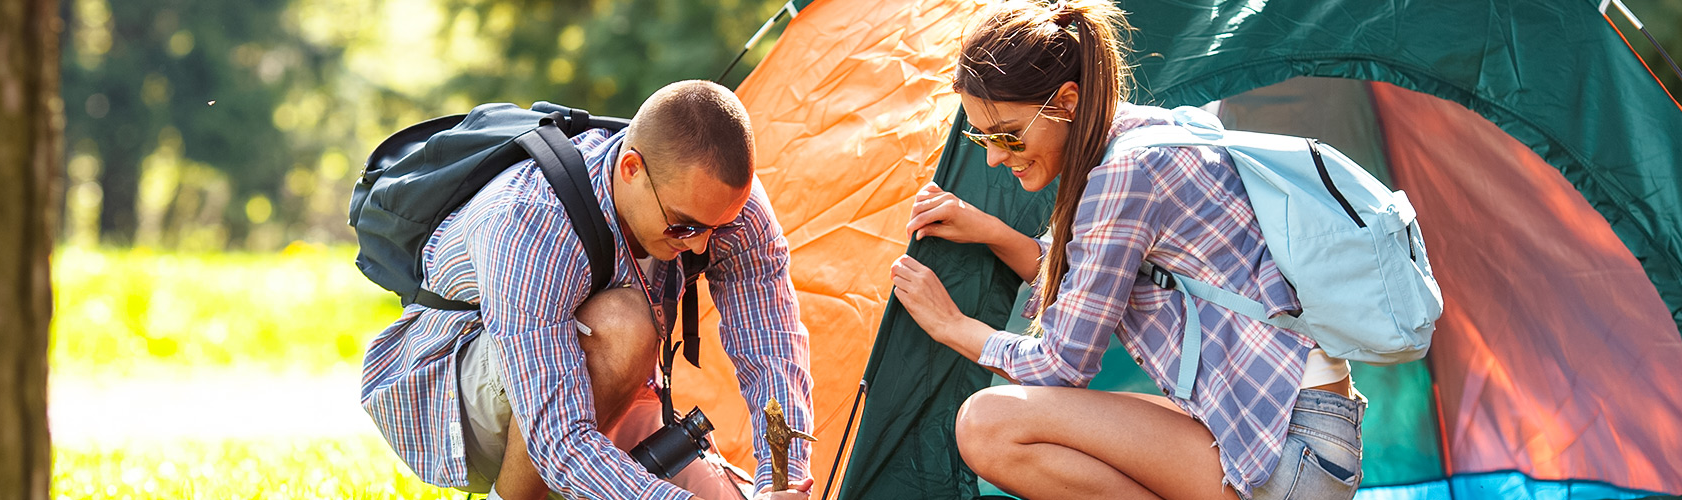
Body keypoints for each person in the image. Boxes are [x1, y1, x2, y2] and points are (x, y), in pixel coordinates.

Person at [887, 1, 1367, 499]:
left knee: (988, 425)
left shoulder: (1126, 175)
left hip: (1290, 452)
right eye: (981, 136)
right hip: (1300, 433)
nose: (993, 157)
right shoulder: (1148, 134)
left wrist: (952, 326)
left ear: (1066, 102)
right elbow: (1087, 281)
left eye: (1008, 135)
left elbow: (1061, 365)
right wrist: (992, 233)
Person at [360, 80, 815, 500]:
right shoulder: (531, 221)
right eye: (684, 226)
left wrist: (783, 480)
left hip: (610, 394)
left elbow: (771, 350)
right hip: (455, 400)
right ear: (632, 169)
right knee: (623, 325)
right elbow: (558, 440)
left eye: (717, 227)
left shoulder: (725, 206)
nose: (699, 245)